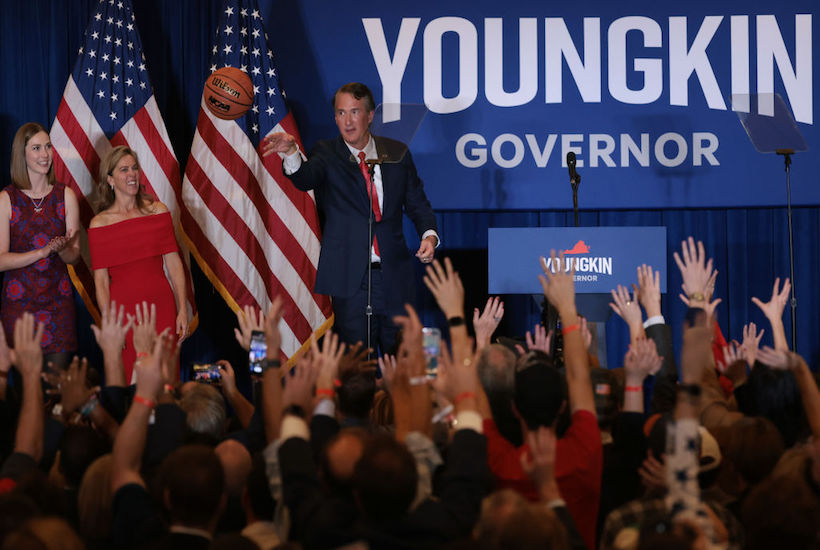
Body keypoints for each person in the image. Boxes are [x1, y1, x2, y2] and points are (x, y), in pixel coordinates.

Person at [263, 82, 438, 353]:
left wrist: (429, 235)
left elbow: (417, 202)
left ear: (370, 116)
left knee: (404, 360)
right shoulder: (326, 153)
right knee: (357, 364)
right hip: (350, 281)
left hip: (394, 277)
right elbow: (305, 178)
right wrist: (291, 153)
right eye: (341, 113)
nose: (347, 121)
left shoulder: (396, 152)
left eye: (354, 112)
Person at [88, 146, 188, 383]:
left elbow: (174, 265)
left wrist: (182, 308)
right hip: (124, 316)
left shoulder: (157, 211)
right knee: (131, 383)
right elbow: (101, 282)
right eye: (124, 170)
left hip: (162, 309)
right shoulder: (99, 224)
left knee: (166, 382)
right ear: (110, 179)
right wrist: (110, 323)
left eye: (134, 168)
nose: (132, 174)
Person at [0, 122, 80, 371]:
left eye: (48, 146)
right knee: (27, 389)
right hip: (19, 308)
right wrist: (42, 252)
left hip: (58, 306)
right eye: (36, 148)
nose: (45, 154)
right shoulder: (6, 199)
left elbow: (75, 257)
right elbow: (1, 260)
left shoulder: (66, 195)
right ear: (21, 154)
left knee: (57, 388)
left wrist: (62, 249)